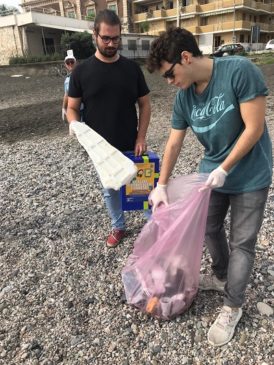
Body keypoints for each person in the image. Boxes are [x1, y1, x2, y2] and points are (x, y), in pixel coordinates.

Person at [147, 27, 272, 346]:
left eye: (169, 74)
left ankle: (233, 305)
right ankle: (220, 274)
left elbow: (255, 127)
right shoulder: (184, 97)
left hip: (250, 175)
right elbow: (174, 143)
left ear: (185, 58)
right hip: (211, 175)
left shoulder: (240, 71)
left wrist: (225, 169)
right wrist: (161, 185)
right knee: (208, 227)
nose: (170, 82)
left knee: (242, 241)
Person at [66, 9, 151, 248]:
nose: (112, 43)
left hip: (131, 141)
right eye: (106, 38)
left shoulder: (132, 69)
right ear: (95, 34)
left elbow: (145, 104)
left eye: (116, 38)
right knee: (110, 188)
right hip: (100, 149)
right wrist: (74, 124)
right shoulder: (81, 72)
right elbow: (72, 108)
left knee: (141, 187)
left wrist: (141, 136)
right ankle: (118, 226)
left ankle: (151, 225)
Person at [62, 52, 77, 122]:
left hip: (79, 109)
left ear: (75, 63)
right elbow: (66, 94)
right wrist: (64, 107)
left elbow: (67, 94)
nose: (70, 64)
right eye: (68, 63)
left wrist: (64, 107)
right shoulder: (67, 79)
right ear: (65, 65)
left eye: (72, 62)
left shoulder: (70, 79)